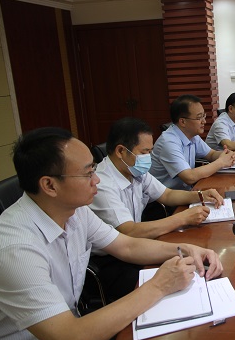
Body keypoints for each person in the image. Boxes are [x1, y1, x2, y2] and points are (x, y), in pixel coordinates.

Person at [0, 127, 222, 340]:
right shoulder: (14, 249)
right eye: (88, 173)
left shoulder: (75, 211)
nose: (97, 180)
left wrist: (186, 248)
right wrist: (160, 286)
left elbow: (127, 246)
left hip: (71, 321)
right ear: (50, 185)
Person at [87, 117, 225, 300]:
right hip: (111, 260)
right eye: (144, 152)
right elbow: (129, 231)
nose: (148, 157)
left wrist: (200, 195)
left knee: (187, 265)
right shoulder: (102, 184)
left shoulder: (133, 170)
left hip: (135, 243)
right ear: (121, 151)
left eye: (150, 151)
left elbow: (166, 194)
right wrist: (182, 218)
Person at [150, 94, 235, 190]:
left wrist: (226, 155)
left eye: (204, 116)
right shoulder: (168, 142)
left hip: (186, 190)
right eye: (199, 117)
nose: (204, 121)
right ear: (183, 122)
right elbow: (189, 177)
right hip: (167, 196)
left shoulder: (192, 135)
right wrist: (221, 162)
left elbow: (211, 154)